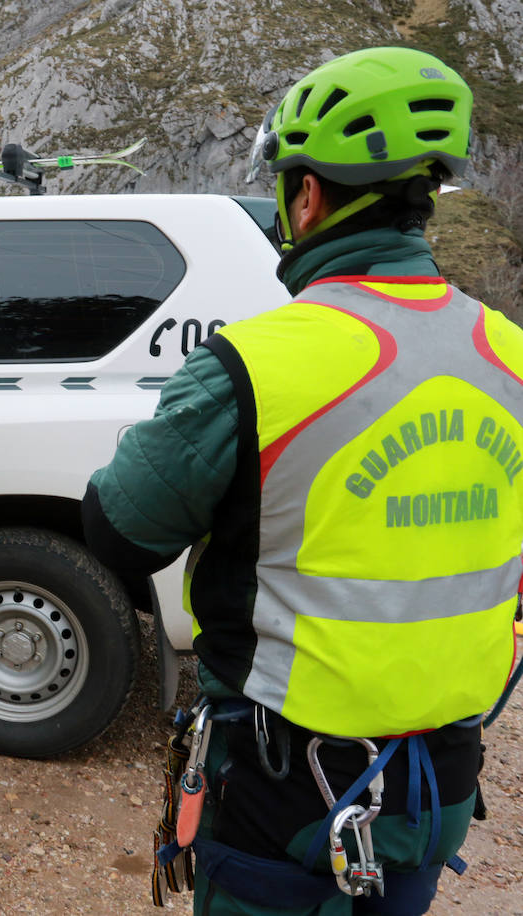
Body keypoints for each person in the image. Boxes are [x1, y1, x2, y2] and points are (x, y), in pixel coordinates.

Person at [82, 47, 523, 915]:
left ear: (308, 196)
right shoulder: (508, 353)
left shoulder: (254, 365)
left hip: (289, 798)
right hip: (437, 793)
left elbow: (120, 531)